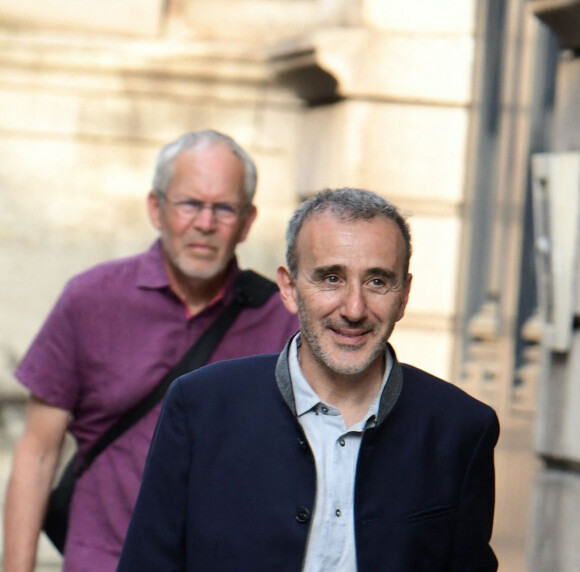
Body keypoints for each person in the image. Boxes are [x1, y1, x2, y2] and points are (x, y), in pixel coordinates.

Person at [117, 187, 500, 572]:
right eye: (331, 278)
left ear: (404, 296)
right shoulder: (200, 406)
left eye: (378, 282)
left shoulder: (462, 428)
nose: (354, 309)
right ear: (289, 288)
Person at [3, 130, 299, 572]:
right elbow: (38, 451)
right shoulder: (91, 299)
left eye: (223, 208)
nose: (205, 223)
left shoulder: (283, 321)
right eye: (189, 204)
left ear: (247, 221)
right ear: (155, 208)